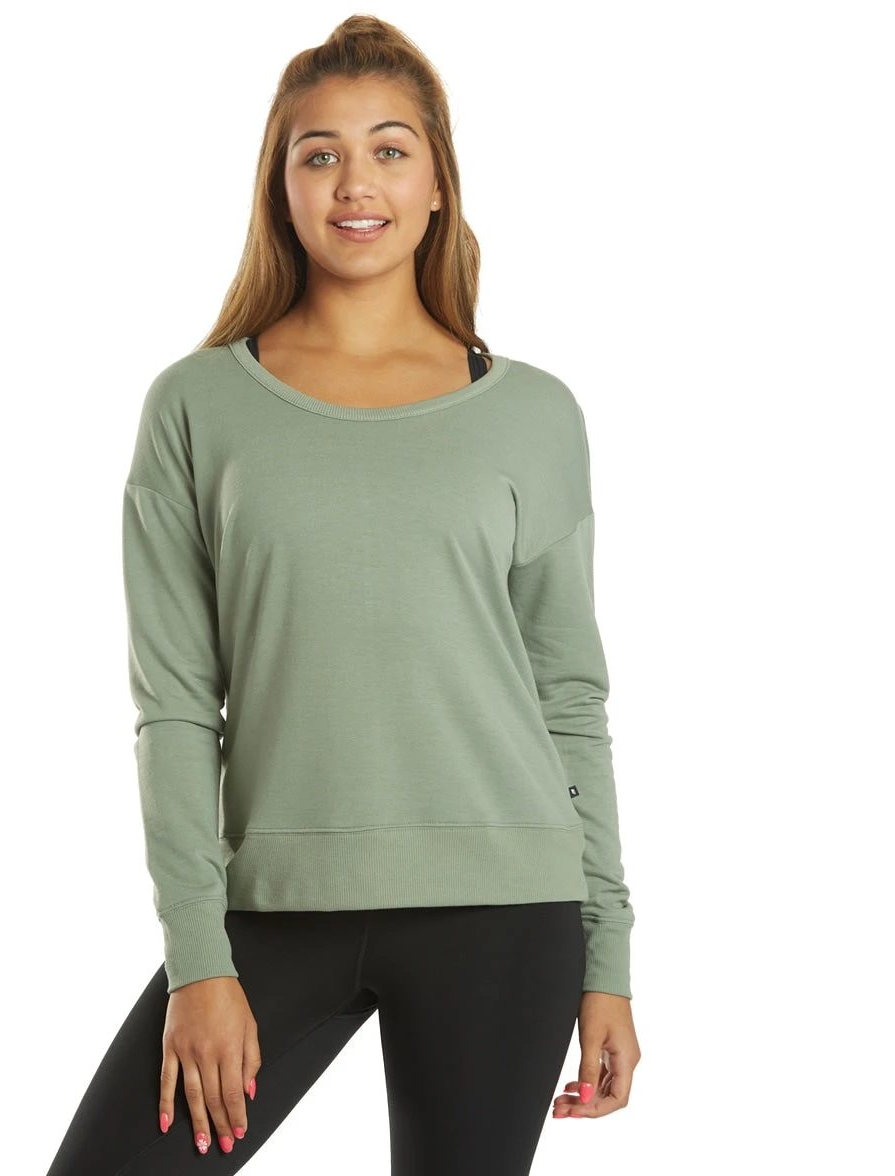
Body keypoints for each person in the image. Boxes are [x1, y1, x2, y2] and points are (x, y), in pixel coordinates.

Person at [45, 14, 640, 1176]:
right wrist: (198, 959)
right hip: (273, 912)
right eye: (319, 154)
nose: (355, 182)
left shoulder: (533, 414)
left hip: (507, 911)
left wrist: (607, 956)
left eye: (389, 150)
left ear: (437, 184)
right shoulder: (198, 407)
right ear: (281, 189)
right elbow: (176, 706)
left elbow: (570, 697)